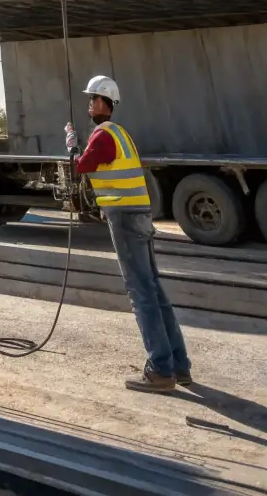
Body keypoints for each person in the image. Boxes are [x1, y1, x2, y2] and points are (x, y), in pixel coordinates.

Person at [66, 75, 192, 393]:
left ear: (103, 103)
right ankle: (179, 366)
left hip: (123, 218)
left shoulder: (102, 134)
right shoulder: (122, 134)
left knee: (141, 294)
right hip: (140, 215)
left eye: (93, 98)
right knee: (155, 291)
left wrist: (71, 145)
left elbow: (81, 167)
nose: (89, 104)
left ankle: (161, 370)